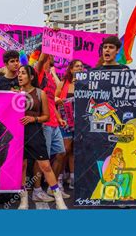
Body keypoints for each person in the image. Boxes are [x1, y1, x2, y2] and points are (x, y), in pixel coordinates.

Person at [17, 65, 67, 209]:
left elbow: (46, 116)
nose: (19, 76)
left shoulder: (40, 93)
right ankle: (23, 200)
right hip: (19, 133)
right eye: (19, 73)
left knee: (45, 165)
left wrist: (34, 119)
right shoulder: (15, 93)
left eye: (23, 73)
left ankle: (59, 201)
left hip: (35, 132)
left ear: (31, 77)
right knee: (22, 166)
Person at [32, 54, 69, 202]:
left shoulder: (51, 77)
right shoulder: (40, 73)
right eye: (51, 53)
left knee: (61, 153)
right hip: (44, 123)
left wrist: (59, 118)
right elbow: (41, 61)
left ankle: (51, 187)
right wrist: (48, 44)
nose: (54, 55)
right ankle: (37, 190)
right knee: (42, 158)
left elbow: (51, 102)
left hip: (54, 123)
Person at [55, 59, 84, 190]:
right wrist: (59, 114)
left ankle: (72, 178)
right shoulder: (62, 84)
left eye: (81, 66)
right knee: (64, 150)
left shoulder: (85, 84)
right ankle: (59, 178)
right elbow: (53, 102)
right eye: (76, 66)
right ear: (71, 69)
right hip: (65, 122)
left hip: (79, 122)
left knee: (74, 150)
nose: (79, 68)